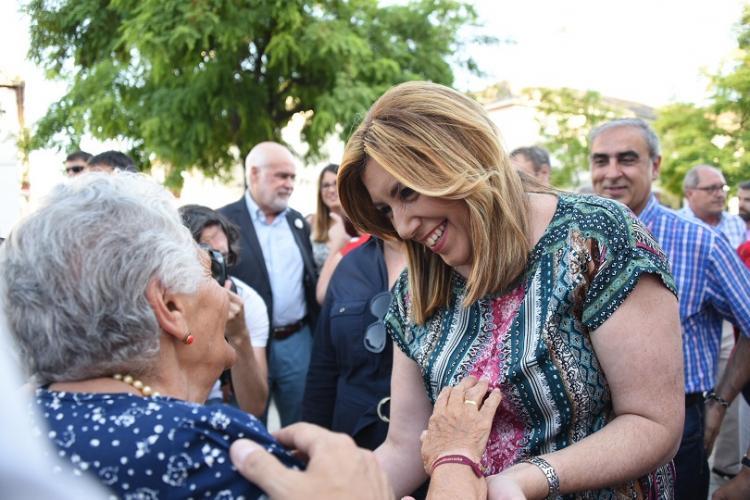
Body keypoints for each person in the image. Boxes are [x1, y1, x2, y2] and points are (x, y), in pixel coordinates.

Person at [337, 81, 684, 498]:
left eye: (407, 192)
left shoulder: (595, 238)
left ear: (460, 155)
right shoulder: (416, 289)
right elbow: (404, 446)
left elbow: (653, 423)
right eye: (386, 210)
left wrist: (527, 479)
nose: (403, 225)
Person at [1, 172, 302, 498]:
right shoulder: (214, 452)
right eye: (210, 269)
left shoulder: (17, 436)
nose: (224, 288)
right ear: (171, 307)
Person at [588, 118, 750, 500]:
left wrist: (719, 404)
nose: (612, 173)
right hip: (590, 430)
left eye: (627, 159)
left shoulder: (699, 242)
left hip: (680, 427)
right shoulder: (572, 238)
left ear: (655, 166)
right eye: (601, 161)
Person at [219, 142, 319, 427]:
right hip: (245, 344)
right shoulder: (224, 222)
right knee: (247, 426)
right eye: (281, 176)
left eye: (292, 178)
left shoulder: (297, 222)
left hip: (295, 343)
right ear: (254, 174)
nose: (289, 185)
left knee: (298, 425)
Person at [302, 236, 406, 450]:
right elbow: (323, 369)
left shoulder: (448, 261)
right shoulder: (349, 266)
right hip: (350, 437)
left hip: (424, 448)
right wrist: (312, 444)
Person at [179, 204, 269, 416]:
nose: (218, 271)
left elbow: (254, 407)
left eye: (224, 260)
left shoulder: (247, 302)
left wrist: (239, 335)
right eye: (210, 261)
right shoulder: (169, 303)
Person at [680, 164, 746, 248]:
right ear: (689, 193)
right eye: (711, 189)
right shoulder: (674, 226)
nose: (720, 194)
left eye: (722, 188)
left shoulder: (736, 223)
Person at [308, 163, 351, 271]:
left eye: (336, 183)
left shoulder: (360, 223)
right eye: (326, 185)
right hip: (320, 285)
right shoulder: (310, 223)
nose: (331, 190)